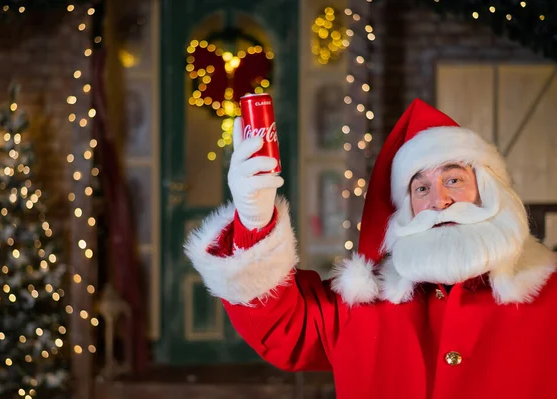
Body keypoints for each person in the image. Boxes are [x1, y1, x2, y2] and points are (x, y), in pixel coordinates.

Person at [185, 99, 557, 398]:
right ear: (406, 209)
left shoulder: (549, 294)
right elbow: (283, 327)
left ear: (488, 191)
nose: (439, 201)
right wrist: (253, 221)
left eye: (454, 179)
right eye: (421, 188)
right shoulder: (360, 305)